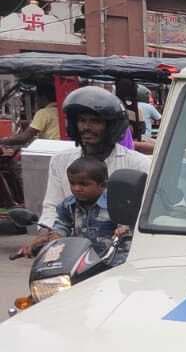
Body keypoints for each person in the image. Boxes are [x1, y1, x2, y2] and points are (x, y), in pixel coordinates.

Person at [39, 85, 149, 219]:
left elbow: (148, 211)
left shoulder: (138, 163)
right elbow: (51, 208)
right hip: (70, 238)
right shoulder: (60, 160)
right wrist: (48, 232)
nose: (86, 127)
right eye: (82, 121)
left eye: (95, 122)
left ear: (111, 126)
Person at [15, 155, 122, 259]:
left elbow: (126, 227)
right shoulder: (68, 205)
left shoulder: (115, 205)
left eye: (83, 184)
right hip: (78, 259)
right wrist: (55, 237)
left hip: (110, 261)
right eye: (72, 183)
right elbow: (62, 225)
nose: (76, 188)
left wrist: (123, 229)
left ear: (103, 185)